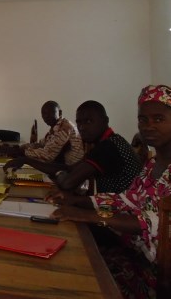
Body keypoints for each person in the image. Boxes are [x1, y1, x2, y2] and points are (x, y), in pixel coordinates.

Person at [49, 85, 171, 298]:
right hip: (132, 253)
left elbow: (157, 223)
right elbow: (127, 200)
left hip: (155, 275)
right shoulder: (152, 165)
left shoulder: (111, 146)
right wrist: (76, 201)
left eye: (158, 119)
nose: (149, 126)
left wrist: (89, 215)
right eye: (143, 119)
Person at [6, 100, 141, 194]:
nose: (82, 127)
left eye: (88, 121)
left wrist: (60, 174)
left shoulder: (109, 146)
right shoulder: (104, 142)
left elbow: (67, 183)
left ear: (105, 121)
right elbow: (70, 169)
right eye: (79, 122)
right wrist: (25, 159)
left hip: (119, 215)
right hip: (104, 202)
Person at [0, 100, 84, 164]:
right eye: (43, 114)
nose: (46, 117)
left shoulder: (65, 127)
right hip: (62, 167)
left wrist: (19, 152)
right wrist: (18, 148)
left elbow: (47, 155)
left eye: (50, 113)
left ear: (60, 112)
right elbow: (41, 145)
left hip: (71, 172)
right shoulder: (55, 128)